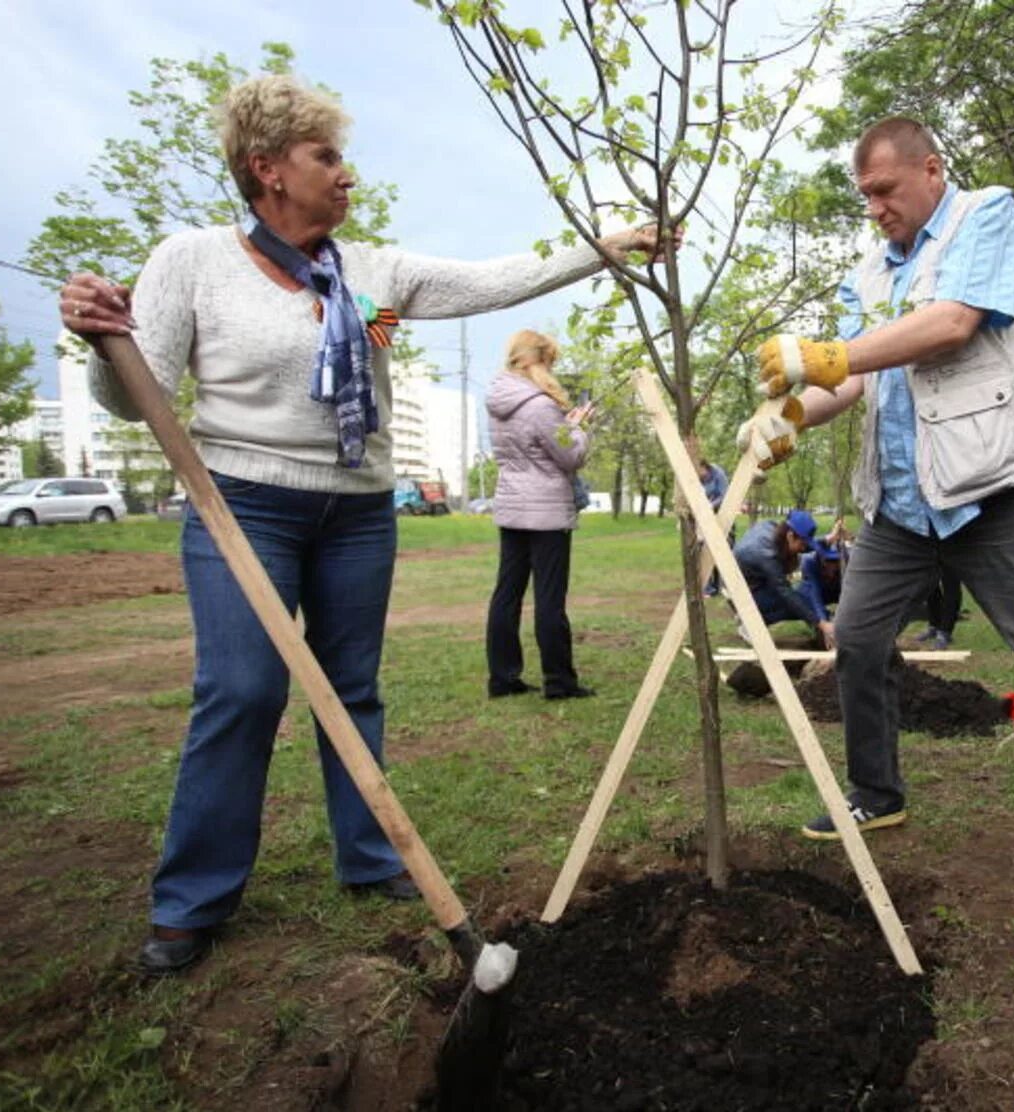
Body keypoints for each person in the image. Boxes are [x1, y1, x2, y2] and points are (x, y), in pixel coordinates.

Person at [58, 74, 674, 977]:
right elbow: (129, 398)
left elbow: (496, 280)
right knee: (241, 690)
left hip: (357, 511)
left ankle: (370, 856)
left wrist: (609, 247)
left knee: (353, 685)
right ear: (268, 170)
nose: (348, 176)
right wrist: (100, 340)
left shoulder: (371, 283)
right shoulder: (191, 260)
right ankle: (193, 899)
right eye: (328, 158)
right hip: (243, 504)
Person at [737, 116, 1014, 843]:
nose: (876, 207)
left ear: (931, 170)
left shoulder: (987, 214)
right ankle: (876, 793)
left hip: (994, 494)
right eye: (865, 196)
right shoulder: (870, 274)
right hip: (898, 508)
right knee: (857, 640)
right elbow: (844, 381)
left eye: (884, 189)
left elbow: (953, 323)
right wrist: (788, 417)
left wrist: (829, 359)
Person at [486, 330, 597, 700]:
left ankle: (503, 677)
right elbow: (571, 456)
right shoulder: (540, 406)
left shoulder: (498, 401)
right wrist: (578, 427)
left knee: (507, 594)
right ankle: (559, 681)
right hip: (547, 512)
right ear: (541, 360)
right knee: (549, 599)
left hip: (512, 506)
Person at [730, 509, 835, 647]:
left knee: (798, 600)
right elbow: (786, 593)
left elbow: (804, 544)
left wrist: (827, 540)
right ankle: (751, 624)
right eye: (802, 544)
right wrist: (821, 624)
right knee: (790, 603)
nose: (803, 549)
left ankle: (750, 615)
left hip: (756, 581)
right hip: (741, 590)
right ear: (790, 536)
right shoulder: (766, 555)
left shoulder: (777, 530)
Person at [692, 443, 730, 596]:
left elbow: (725, 497)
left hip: (722, 516)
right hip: (705, 519)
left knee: (723, 551)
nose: (699, 476)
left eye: (699, 472)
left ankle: (721, 585)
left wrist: (710, 505)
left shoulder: (718, 474)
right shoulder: (697, 479)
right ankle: (707, 588)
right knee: (704, 550)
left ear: (704, 466)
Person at [798, 522, 851, 630]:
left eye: (835, 561)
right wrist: (824, 623)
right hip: (820, 592)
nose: (831, 565)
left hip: (841, 593)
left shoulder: (850, 562)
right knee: (803, 592)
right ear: (820, 557)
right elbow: (814, 595)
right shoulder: (809, 562)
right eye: (827, 560)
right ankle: (820, 625)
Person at [911, 566, 962, 650]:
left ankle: (945, 632)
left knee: (951, 585)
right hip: (931, 554)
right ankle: (934, 626)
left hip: (953, 555)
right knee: (930, 584)